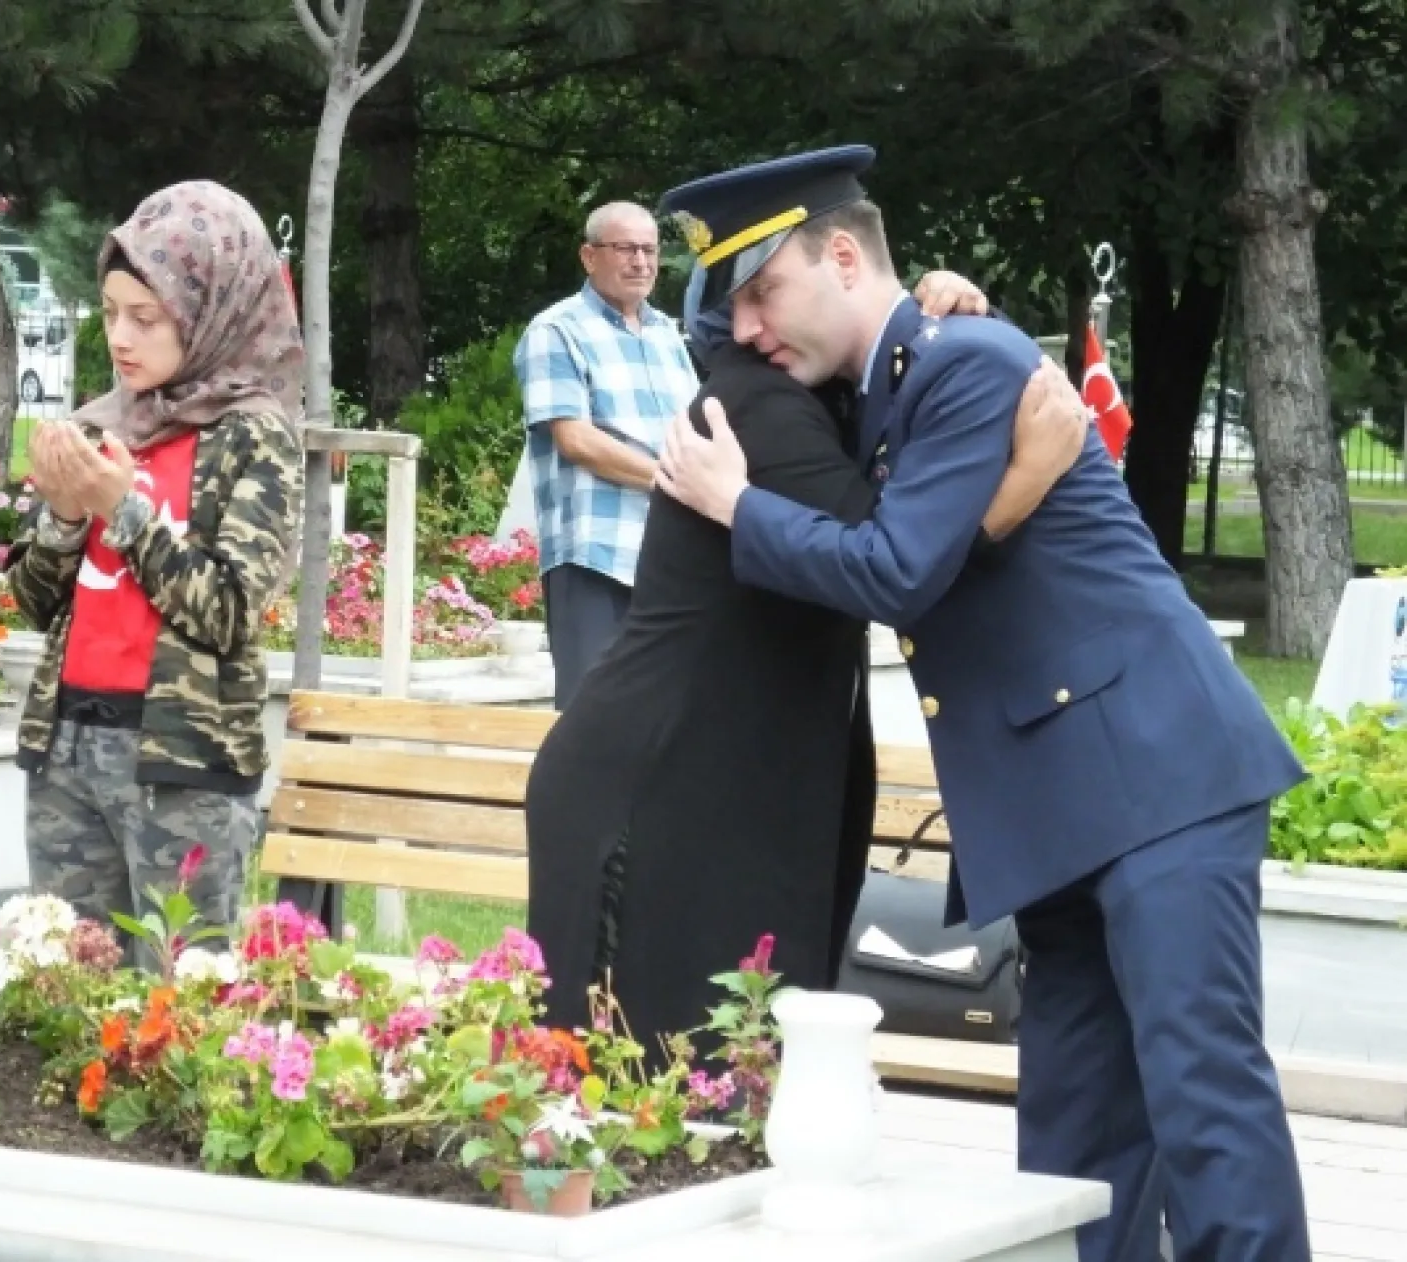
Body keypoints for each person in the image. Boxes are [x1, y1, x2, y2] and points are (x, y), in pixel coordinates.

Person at [653, 145, 1310, 1262]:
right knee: (1074, 1136)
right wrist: (906, 296)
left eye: (765, 289)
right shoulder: (883, 379)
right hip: (1050, 807)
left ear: (845, 255)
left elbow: (895, 569)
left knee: (1201, 1105)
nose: (752, 326)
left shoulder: (962, 361)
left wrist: (739, 504)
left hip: (1152, 774)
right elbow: (711, 338)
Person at [525, 260, 1089, 1056]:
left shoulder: (817, 403)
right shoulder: (755, 411)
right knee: (641, 1093)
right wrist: (1027, 478)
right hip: (657, 800)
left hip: (713, 787)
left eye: (768, 296)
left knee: (715, 1089)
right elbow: (897, 567)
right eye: (742, 305)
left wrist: (944, 313)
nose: (757, 324)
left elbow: (892, 395)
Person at [7, 179, 305, 947]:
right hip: (69, 742)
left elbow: (230, 611)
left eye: (145, 317)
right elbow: (35, 604)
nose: (120, 338)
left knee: (178, 1002)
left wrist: (123, 509)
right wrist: (67, 517)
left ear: (209, 313)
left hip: (182, 764)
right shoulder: (105, 425)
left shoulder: (255, 434)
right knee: (63, 1000)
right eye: (109, 314)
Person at [512, 201, 700, 709]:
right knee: (592, 718)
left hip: (670, 559)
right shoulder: (556, 331)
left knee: (667, 716)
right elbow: (576, 440)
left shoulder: (668, 335)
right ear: (589, 256)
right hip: (595, 558)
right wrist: (672, 479)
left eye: (649, 250)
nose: (641, 262)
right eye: (626, 249)